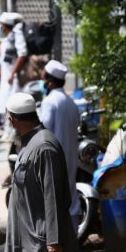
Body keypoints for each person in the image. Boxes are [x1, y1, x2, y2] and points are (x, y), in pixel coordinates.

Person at [1, 93, 87, 252]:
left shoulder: (44, 147)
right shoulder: (30, 143)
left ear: (16, 120)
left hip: (44, 243)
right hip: (30, 239)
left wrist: (54, 240)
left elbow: (53, 197)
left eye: (9, 118)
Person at [39, 60, 82, 230]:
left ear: (50, 81)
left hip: (53, 158)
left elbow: (44, 130)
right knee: (69, 195)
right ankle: (72, 239)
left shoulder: (50, 102)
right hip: (70, 157)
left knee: (52, 198)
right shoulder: (70, 103)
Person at [0, 12, 28, 140]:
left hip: (13, 79)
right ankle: (8, 132)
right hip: (6, 77)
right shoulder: (7, 38)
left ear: (5, 26)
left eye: (1, 25)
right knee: (6, 105)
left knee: (13, 106)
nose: (0, 28)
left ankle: (14, 133)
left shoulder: (16, 35)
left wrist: (13, 73)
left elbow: (22, 54)